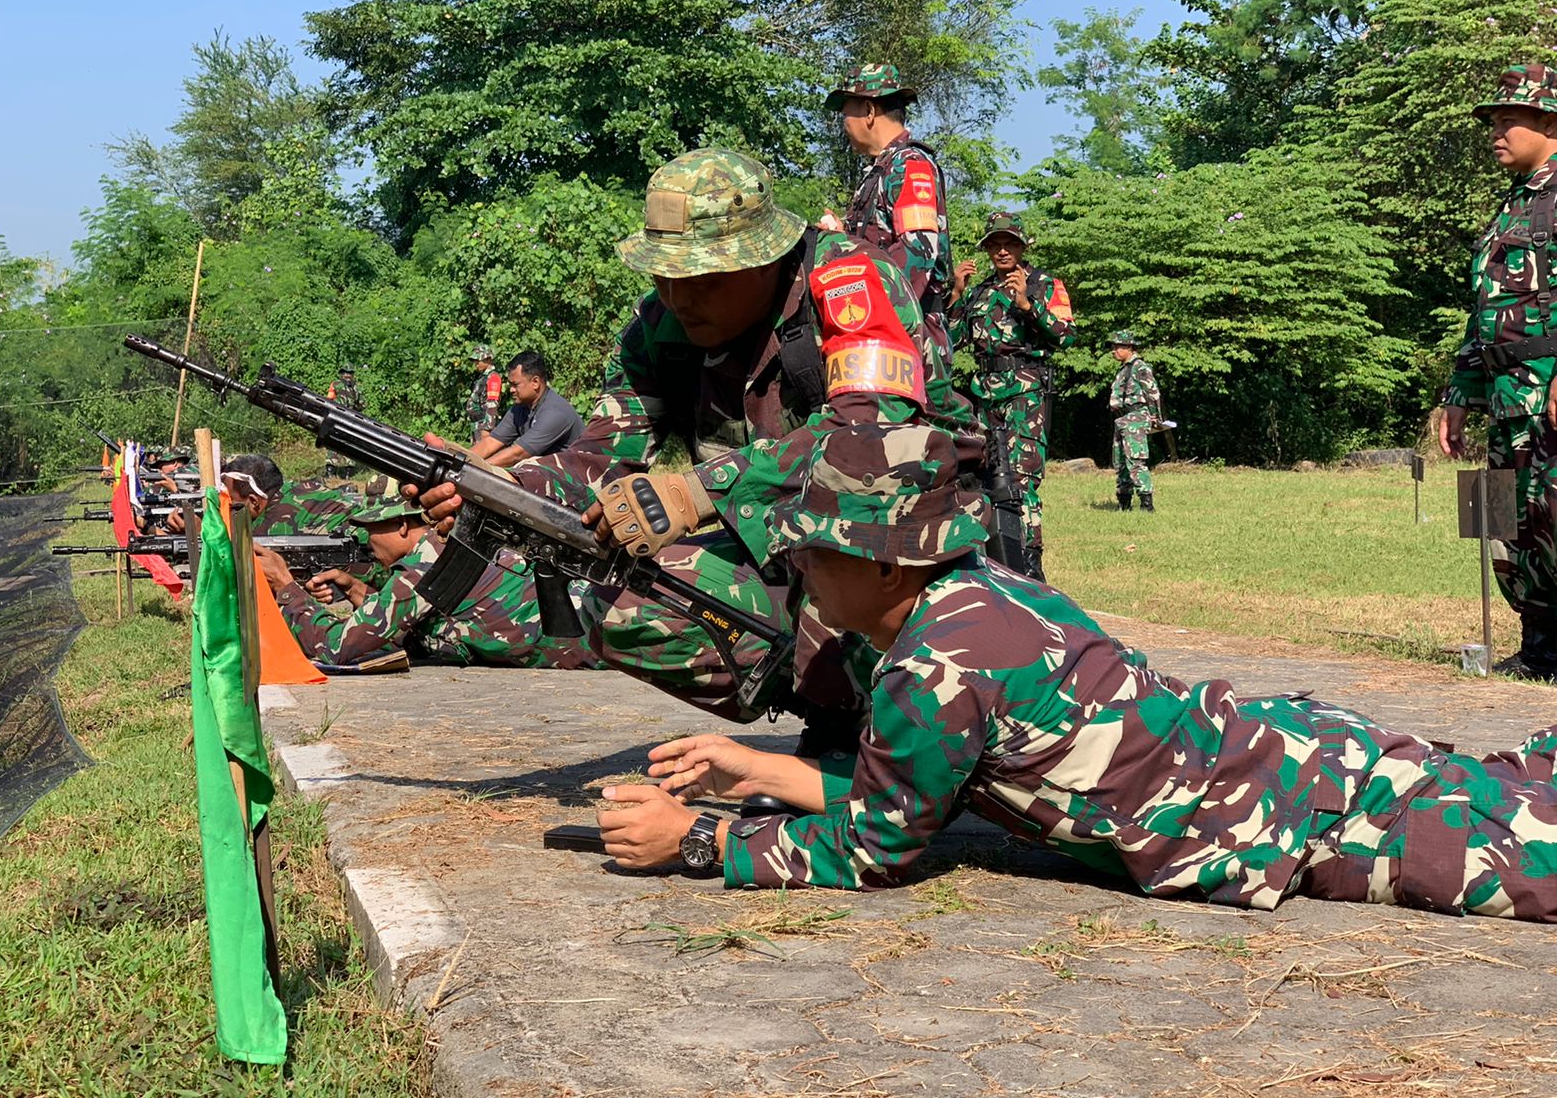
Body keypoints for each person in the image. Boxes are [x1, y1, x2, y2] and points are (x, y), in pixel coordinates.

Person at [596, 423, 1557, 923]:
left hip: (1323, 817)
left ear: (889, 563)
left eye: (817, 549)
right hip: (1292, 763)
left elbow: (875, 852)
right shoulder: (971, 602)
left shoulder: (935, 663)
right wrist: (757, 772)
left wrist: (697, 843)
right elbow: (908, 798)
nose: (796, 564)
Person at [409, 147, 983, 747]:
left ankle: (905, 712)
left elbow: (868, 436)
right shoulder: (659, 327)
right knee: (623, 601)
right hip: (781, 542)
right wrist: (508, 489)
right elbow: (603, 452)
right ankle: (833, 708)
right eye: (665, 275)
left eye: (702, 278)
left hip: (907, 546)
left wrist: (695, 490)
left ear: (765, 260)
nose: (681, 298)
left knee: (858, 494)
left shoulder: (848, 281)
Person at [1440, 63, 1557, 681]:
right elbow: (1481, 311)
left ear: (1548, 121)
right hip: (1507, 396)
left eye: (1510, 118)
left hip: (1551, 390)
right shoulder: (1510, 207)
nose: (1496, 131)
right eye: (1493, 120)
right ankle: (1540, 648)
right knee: (1512, 523)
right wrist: (1460, 393)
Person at [259, 496, 597, 670]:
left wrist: (285, 585)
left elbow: (335, 648)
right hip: (589, 630)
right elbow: (423, 627)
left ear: (403, 526)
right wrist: (359, 591)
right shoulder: (443, 545)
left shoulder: (426, 562)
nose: (367, 540)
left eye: (372, 529)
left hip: (595, 635)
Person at [949, 211, 1076, 581]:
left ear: (1021, 247)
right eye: (995, 244)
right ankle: (992, 562)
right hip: (985, 396)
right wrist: (956, 295)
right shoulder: (980, 291)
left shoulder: (1044, 284)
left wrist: (1027, 305)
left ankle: (1029, 565)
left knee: (1022, 479)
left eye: (1009, 244)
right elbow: (951, 342)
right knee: (983, 479)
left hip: (1025, 392)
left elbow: (1066, 336)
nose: (1002, 251)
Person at [818, 64, 952, 326]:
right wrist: (841, 237)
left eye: (845, 114)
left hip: (908, 331)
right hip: (889, 325)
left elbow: (918, 250)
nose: (844, 125)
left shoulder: (910, 165)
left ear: (869, 111)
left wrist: (865, 305)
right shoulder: (884, 167)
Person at [471, 350, 586, 466]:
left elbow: (517, 454)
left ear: (535, 382)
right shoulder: (520, 408)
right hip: (548, 473)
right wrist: (460, 459)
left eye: (515, 384)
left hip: (575, 477)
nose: (511, 390)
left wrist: (478, 468)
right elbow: (491, 442)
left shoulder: (555, 412)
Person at [1108, 329, 1160, 512]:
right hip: (1122, 418)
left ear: (1129, 347)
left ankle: (1147, 504)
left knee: (1136, 460)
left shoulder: (1140, 367)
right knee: (1121, 462)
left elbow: (1153, 394)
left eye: (1117, 347)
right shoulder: (1124, 369)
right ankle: (1124, 503)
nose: (1113, 350)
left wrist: (1154, 417)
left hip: (1136, 418)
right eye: (1113, 347)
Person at [325, 365, 366, 478]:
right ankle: (337, 472)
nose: (348, 375)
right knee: (340, 442)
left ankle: (340, 472)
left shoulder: (353, 387)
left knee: (343, 442)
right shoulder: (344, 386)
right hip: (343, 418)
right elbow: (330, 400)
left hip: (344, 418)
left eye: (349, 373)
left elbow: (363, 404)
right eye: (346, 373)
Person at [466, 345, 504, 452]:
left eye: (478, 361)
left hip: (483, 424)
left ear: (487, 359)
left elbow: (492, 403)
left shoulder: (493, 377)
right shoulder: (483, 377)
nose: (476, 364)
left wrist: (487, 428)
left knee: (481, 456)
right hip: (477, 423)